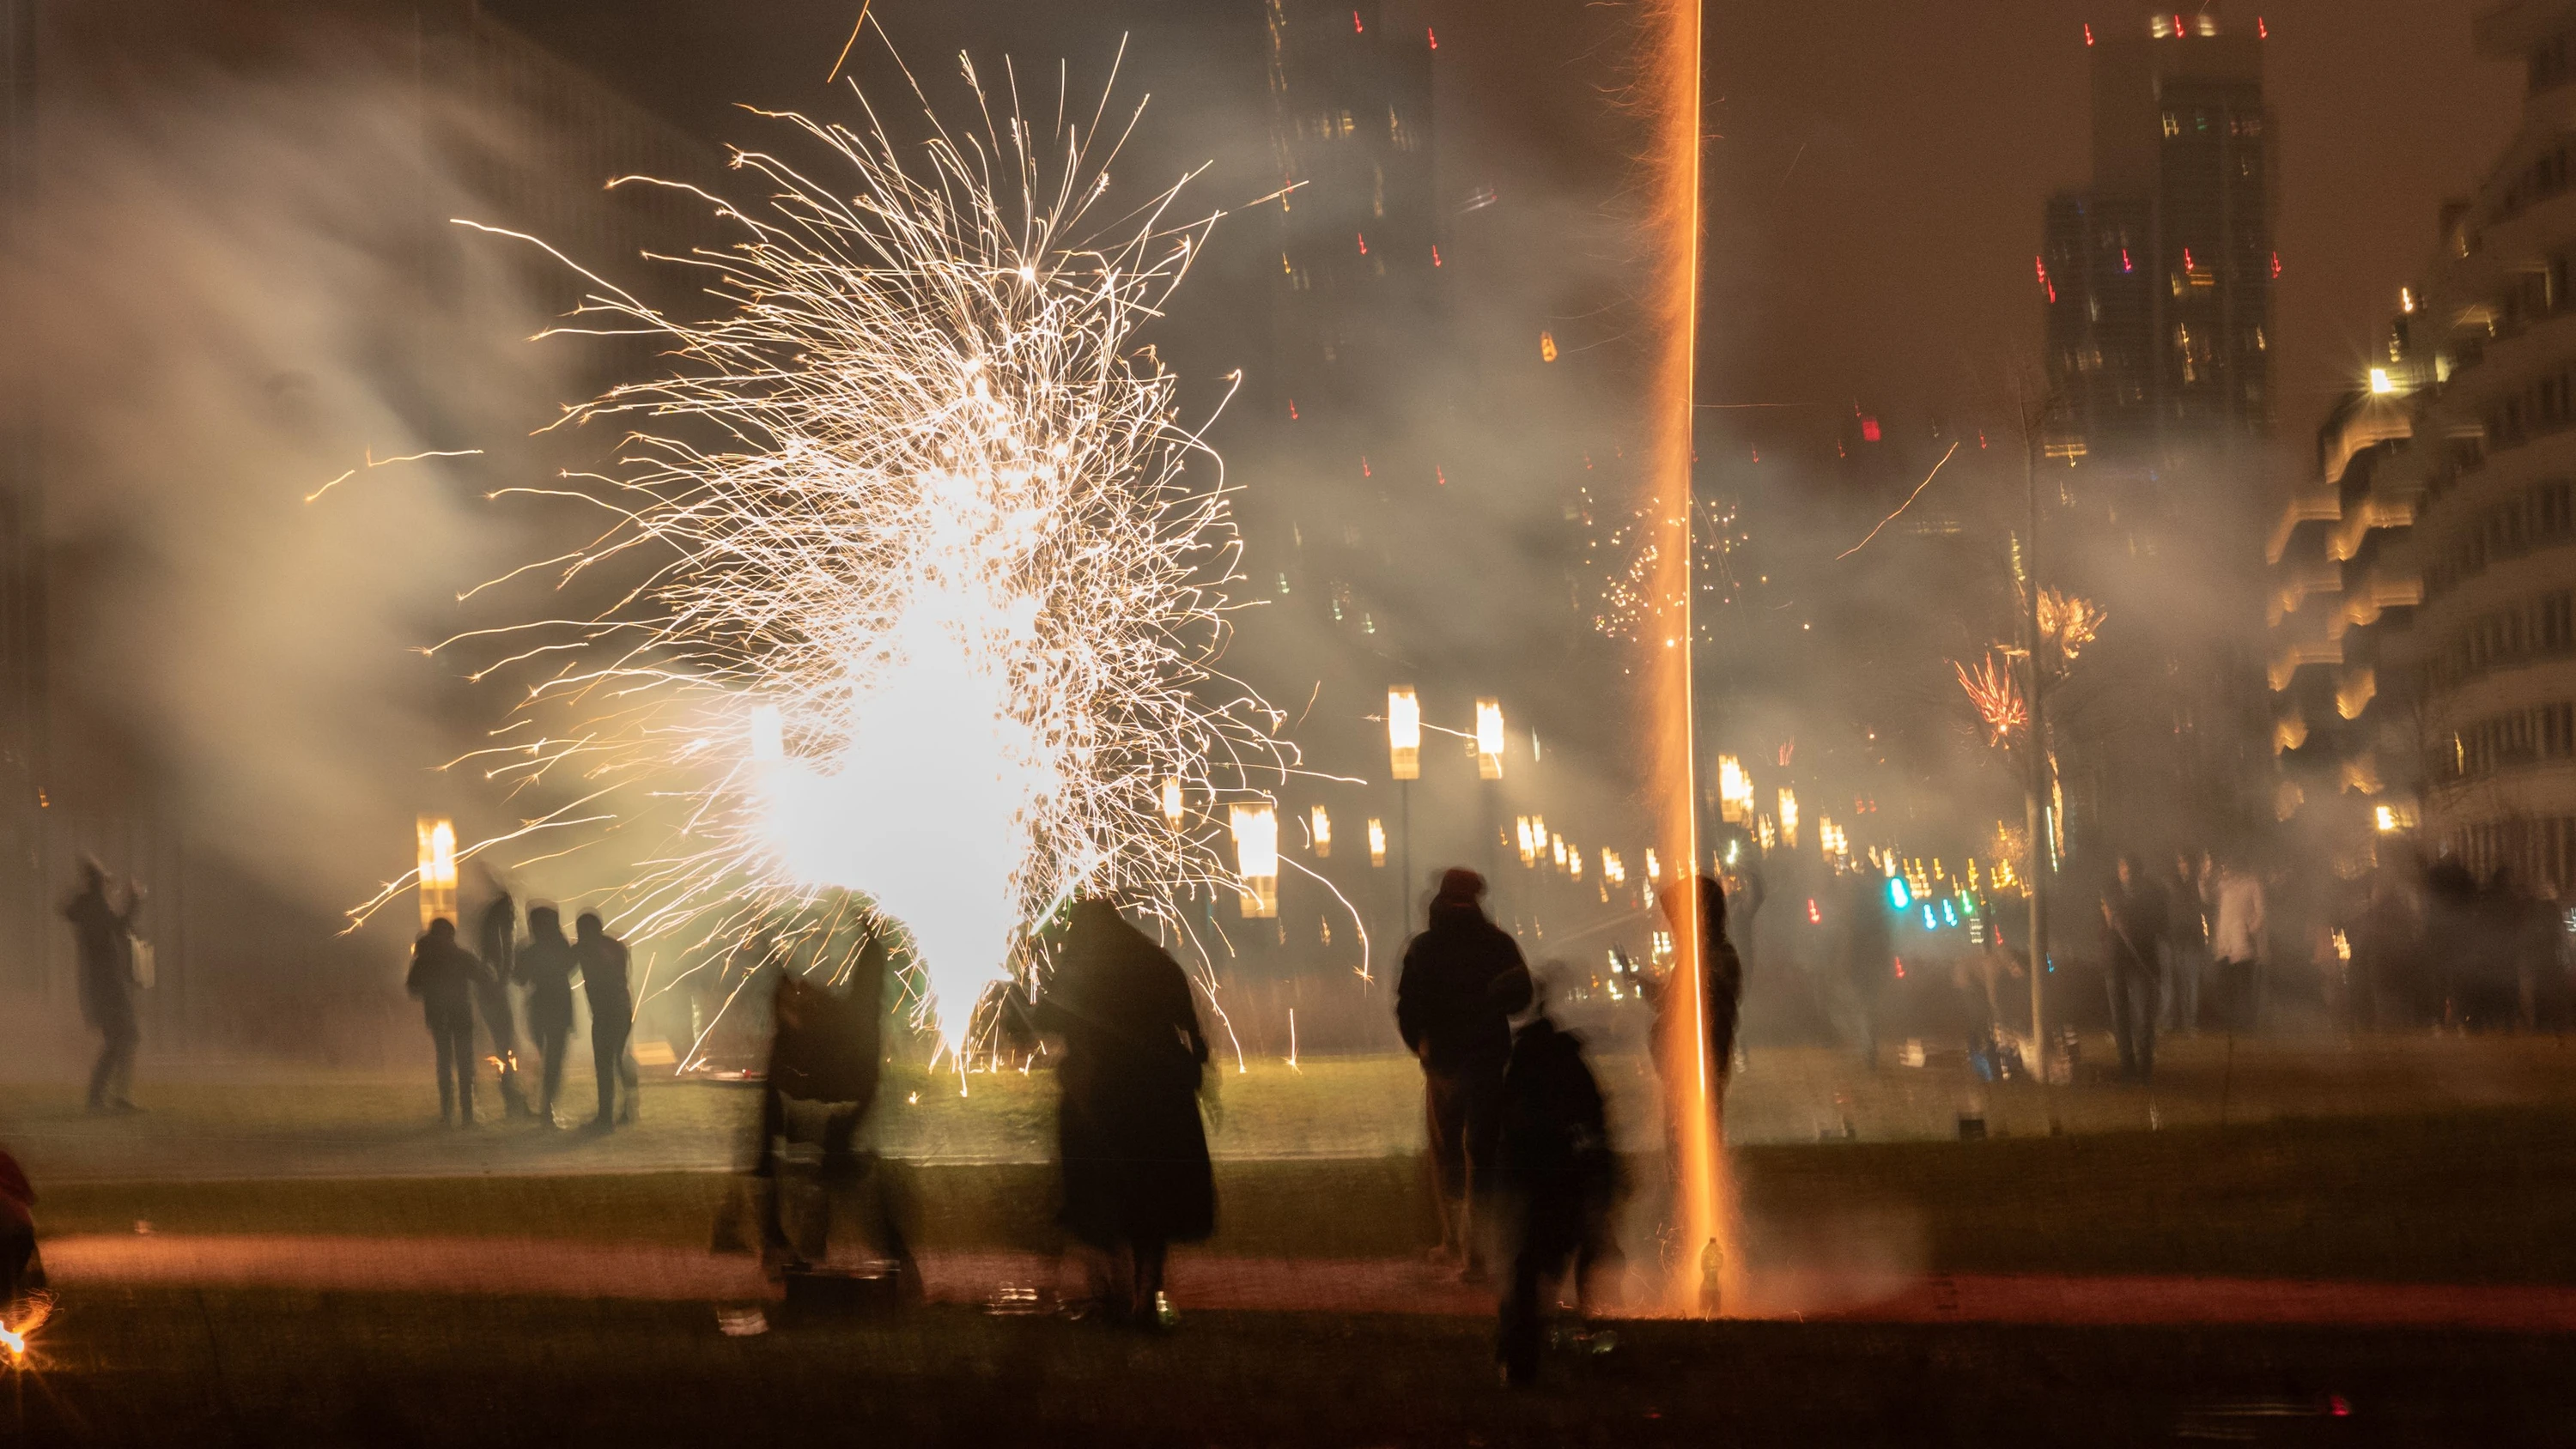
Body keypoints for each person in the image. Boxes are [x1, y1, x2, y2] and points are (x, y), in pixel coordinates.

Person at [1033, 899, 1215, 1328]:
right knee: (1153, 1198)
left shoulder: (1083, 964)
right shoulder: (1154, 960)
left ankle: (1110, 1291)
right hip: (1160, 1096)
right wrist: (1194, 1070)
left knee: (1098, 1193)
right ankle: (1146, 1292)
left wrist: (1021, 1009)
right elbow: (1191, 1027)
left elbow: (1050, 1016)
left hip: (1102, 1096)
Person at [1394, 867, 1533, 1277]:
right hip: (1483, 1060)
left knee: (1448, 1153)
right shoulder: (1496, 944)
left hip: (1444, 1062)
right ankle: (1474, 1250)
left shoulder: (1425, 948)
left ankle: (1456, 1242)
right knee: (1480, 1153)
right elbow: (1520, 998)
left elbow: (1408, 1005)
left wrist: (1422, 1044)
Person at [1492, 973, 1621, 1387]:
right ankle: (1584, 1329)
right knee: (1556, 1260)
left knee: (1529, 1269)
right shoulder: (1569, 1063)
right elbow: (1594, 1124)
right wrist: (1601, 1179)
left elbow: (1512, 1133)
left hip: (1543, 1183)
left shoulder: (1524, 1068)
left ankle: (1522, 1355)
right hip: (1569, 1181)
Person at [1649, 874, 1743, 1096]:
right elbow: (1670, 1001)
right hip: (1684, 1064)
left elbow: (1686, 1003)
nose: (1675, 929)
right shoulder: (1700, 957)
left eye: (1678, 919)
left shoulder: (1712, 957)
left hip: (1696, 1062)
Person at [64, 858, 143, 1115]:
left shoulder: (89, 905)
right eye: (104, 881)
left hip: (103, 984)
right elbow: (118, 926)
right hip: (107, 985)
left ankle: (109, 1096)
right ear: (97, 883)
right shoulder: (95, 906)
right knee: (124, 1037)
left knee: (121, 1038)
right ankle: (105, 1097)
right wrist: (134, 900)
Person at [406, 918, 492, 1125]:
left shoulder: (424, 959)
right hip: (461, 1015)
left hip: (437, 1015)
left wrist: (431, 991)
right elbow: (484, 978)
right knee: (465, 1063)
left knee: (444, 1062)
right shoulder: (460, 956)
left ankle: (447, 1112)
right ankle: (468, 1114)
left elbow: (413, 988)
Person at [2099, 854, 2168, 1083]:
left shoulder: (2153, 894)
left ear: (2140, 872)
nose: (2126, 873)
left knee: (2144, 1015)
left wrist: (2133, 925)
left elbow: (2161, 925)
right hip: (2115, 960)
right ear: (2119, 871)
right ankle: (2127, 1067)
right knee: (2120, 1016)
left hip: (2142, 959)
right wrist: (2110, 922)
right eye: (2123, 868)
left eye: (2130, 869)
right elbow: (2101, 926)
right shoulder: (2109, 893)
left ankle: (2145, 1066)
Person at [574, 912, 637, 1127]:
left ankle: (605, 1116)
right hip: (622, 1008)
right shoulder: (616, 945)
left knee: (604, 1063)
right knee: (619, 1057)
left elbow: (564, 965)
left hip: (606, 1012)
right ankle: (628, 1107)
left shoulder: (588, 949)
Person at [473, 884, 530, 1119]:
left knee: (506, 1046)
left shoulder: (492, 941)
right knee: (505, 1046)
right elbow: (507, 966)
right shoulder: (497, 945)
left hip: (493, 993)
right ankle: (511, 1099)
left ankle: (511, 1097)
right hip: (494, 995)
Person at [519, 905, 578, 1125]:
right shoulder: (562, 947)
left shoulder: (530, 950)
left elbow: (520, 978)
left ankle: (537, 1102)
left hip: (540, 1006)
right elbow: (570, 967)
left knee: (542, 1055)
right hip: (559, 1005)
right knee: (554, 1059)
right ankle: (546, 1106)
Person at [1838, 870, 1894, 1067]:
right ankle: (1869, 1044)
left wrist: (1846, 960)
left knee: (1864, 1005)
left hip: (1863, 961)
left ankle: (1868, 1045)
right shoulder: (1878, 905)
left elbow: (1851, 934)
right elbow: (1886, 936)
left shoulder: (1859, 907)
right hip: (1871, 960)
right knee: (1869, 1006)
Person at [2209, 860, 2267, 1034]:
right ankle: (2229, 1022)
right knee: (2225, 985)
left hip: (2243, 946)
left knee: (2243, 986)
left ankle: (2246, 1023)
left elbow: (2261, 913)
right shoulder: (2223, 885)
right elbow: (2207, 897)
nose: (2227, 869)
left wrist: (2249, 930)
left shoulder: (2252, 884)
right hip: (2224, 945)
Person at [2164, 852, 2209, 1035]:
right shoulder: (2173, 885)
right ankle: (2181, 1021)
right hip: (2177, 940)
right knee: (2180, 983)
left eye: (2186, 862)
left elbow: (2204, 908)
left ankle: (2190, 1021)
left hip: (2192, 941)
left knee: (2192, 983)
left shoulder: (2198, 885)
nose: (2184, 866)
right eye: (2181, 862)